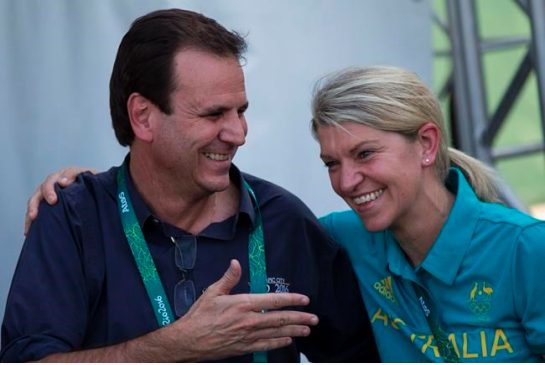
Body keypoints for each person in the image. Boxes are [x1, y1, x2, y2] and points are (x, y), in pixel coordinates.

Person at [1, 9, 379, 362]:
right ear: (143, 116)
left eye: (241, 111)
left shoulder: (284, 221)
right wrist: (171, 347)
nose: (238, 134)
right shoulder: (75, 218)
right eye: (213, 114)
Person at [310, 65, 545, 362]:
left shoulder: (527, 248)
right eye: (332, 163)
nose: (346, 182)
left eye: (364, 154)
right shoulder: (340, 237)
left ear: (427, 144)